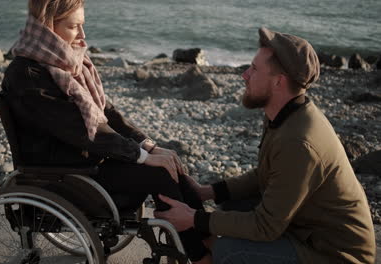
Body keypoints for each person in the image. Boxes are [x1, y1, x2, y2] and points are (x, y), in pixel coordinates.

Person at [1, 0, 212, 263]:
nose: (83, 35)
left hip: (85, 161)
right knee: (158, 173)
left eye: (82, 25)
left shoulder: (66, 61)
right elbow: (83, 132)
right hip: (64, 174)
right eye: (74, 26)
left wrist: (150, 146)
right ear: (46, 26)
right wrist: (143, 158)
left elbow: (107, 113)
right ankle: (202, 255)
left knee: (171, 163)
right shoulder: (28, 74)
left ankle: (206, 238)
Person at [155, 27, 376, 264]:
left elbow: (265, 226)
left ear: (278, 82)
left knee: (231, 251)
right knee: (232, 204)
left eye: (254, 69)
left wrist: (194, 219)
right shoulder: (283, 114)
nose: (245, 75)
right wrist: (208, 192)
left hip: (335, 254)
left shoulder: (299, 141)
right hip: (304, 228)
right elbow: (266, 175)